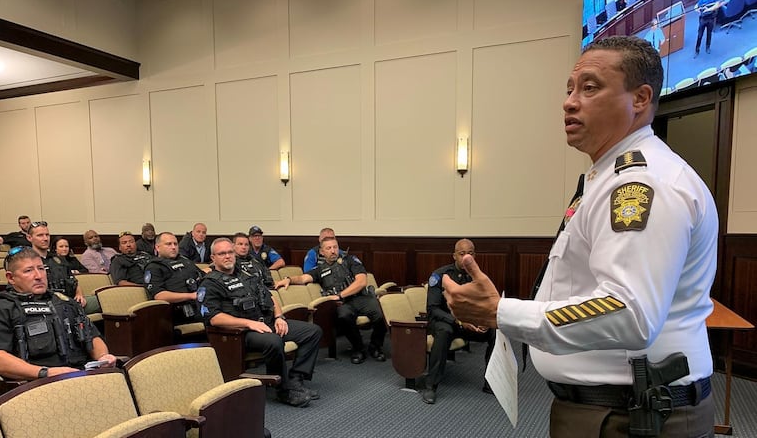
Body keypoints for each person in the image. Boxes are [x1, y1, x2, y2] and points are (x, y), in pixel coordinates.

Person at [443, 36, 717, 437]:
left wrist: (502, 312)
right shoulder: (606, 177)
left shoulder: (643, 183)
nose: (570, 102)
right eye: (570, 89)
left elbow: (629, 312)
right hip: (609, 407)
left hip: (631, 416)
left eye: (590, 87)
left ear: (640, 99)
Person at [199, 238, 321, 408]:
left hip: (267, 323)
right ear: (213, 258)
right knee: (273, 340)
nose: (227, 256)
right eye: (222, 254)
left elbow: (270, 297)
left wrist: (279, 317)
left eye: (230, 252)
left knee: (312, 332)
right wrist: (249, 323)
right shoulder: (210, 283)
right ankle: (283, 390)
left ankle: (295, 380)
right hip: (240, 333)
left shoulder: (247, 276)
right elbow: (214, 318)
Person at [0, 246, 116, 380]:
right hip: (35, 384)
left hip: (81, 374)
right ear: (11, 278)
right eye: (28, 271)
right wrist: (45, 373)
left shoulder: (65, 302)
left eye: (41, 269)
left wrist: (103, 357)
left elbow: (92, 336)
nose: (38, 276)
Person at [420, 238, 495, 405]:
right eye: (462, 254)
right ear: (454, 255)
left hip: (467, 322)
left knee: (493, 333)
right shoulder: (440, 275)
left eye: (470, 253)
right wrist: (459, 322)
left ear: (475, 255)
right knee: (444, 331)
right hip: (443, 320)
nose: (466, 257)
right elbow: (433, 309)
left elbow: (482, 304)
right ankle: (431, 386)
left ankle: (490, 382)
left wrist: (482, 320)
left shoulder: (478, 278)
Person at [290, 237, 386, 365]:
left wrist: (341, 295)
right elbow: (302, 279)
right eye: (328, 248)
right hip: (344, 304)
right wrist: (288, 279)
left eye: (335, 247)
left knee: (380, 313)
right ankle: (358, 349)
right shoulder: (319, 270)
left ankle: (375, 346)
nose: (333, 251)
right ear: (322, 252)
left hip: (360, 297)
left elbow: (362, 281)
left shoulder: (351, 260)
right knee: (343, 316)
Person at [27, 222, 100, 315]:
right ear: (29, 238)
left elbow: (73, 281)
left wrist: (79, 295)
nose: (45, 239)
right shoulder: (26, 260)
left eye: (47, 235)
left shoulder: (58, 259)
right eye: (40, 235)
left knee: (102, 301)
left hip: (70, 300)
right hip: (47, 304)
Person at [144, 232, 205, 326]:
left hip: (201, 305)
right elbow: (159, 295)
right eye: (168, 244)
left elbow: (203, 277)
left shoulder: (185, 261)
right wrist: (191, 295)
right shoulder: (154, 267)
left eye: (175, 244)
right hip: (176, 312)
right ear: (157, 247)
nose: (173, 247)